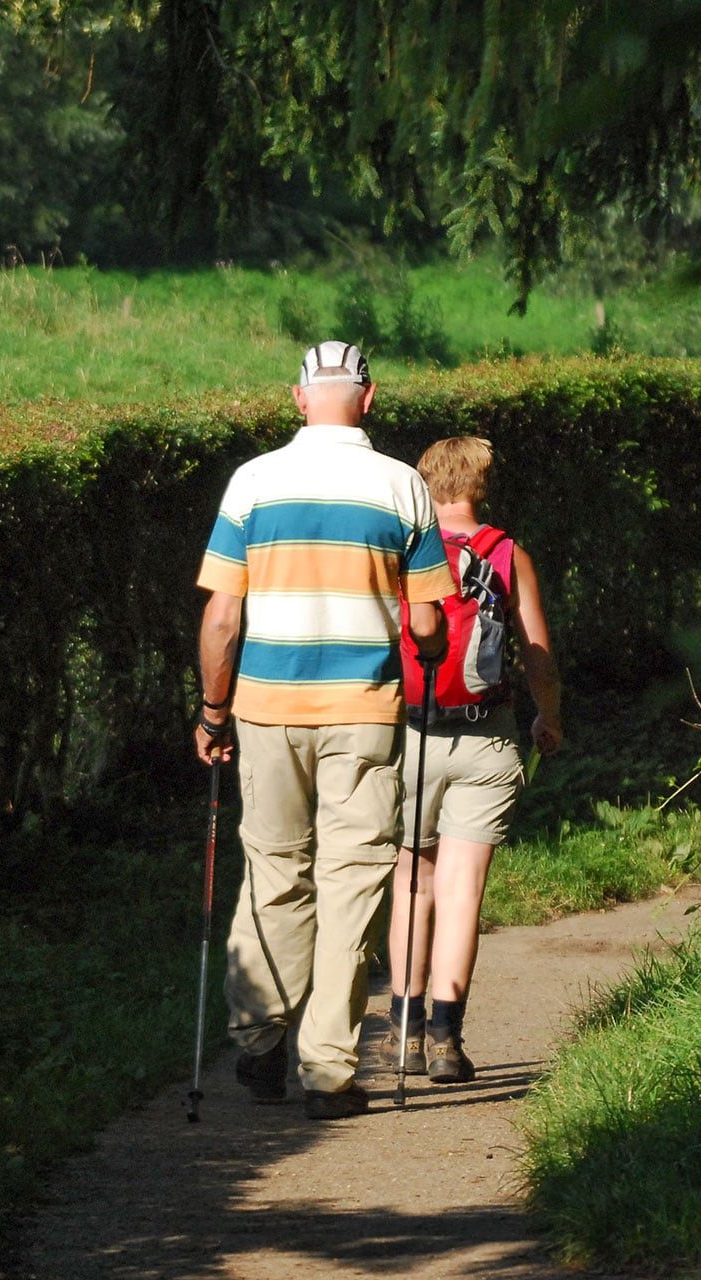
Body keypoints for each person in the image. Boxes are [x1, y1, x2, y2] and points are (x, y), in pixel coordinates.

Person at [193, 341, 452, 1120]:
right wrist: (430, 649)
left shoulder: (253, 483)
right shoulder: (404, 486)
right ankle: (330, 1070)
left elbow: (222, 615)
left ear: (299, 399)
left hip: (265, 708)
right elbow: (431, 621)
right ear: (368, 399)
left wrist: (212, 710)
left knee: (273, 869)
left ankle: (260, 1043)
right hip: (364, 711)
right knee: (353, 880)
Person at [387, 435, 563, 1084]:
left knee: (413, 881)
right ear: (479, 486)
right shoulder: (506, 553)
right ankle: (444, 1039)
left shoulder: (402, 550)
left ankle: (402, 1033)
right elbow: (536, 651)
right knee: (461, 889)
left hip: (408, 732)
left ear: (426, 484)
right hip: (485, 736)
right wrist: (550, 716)